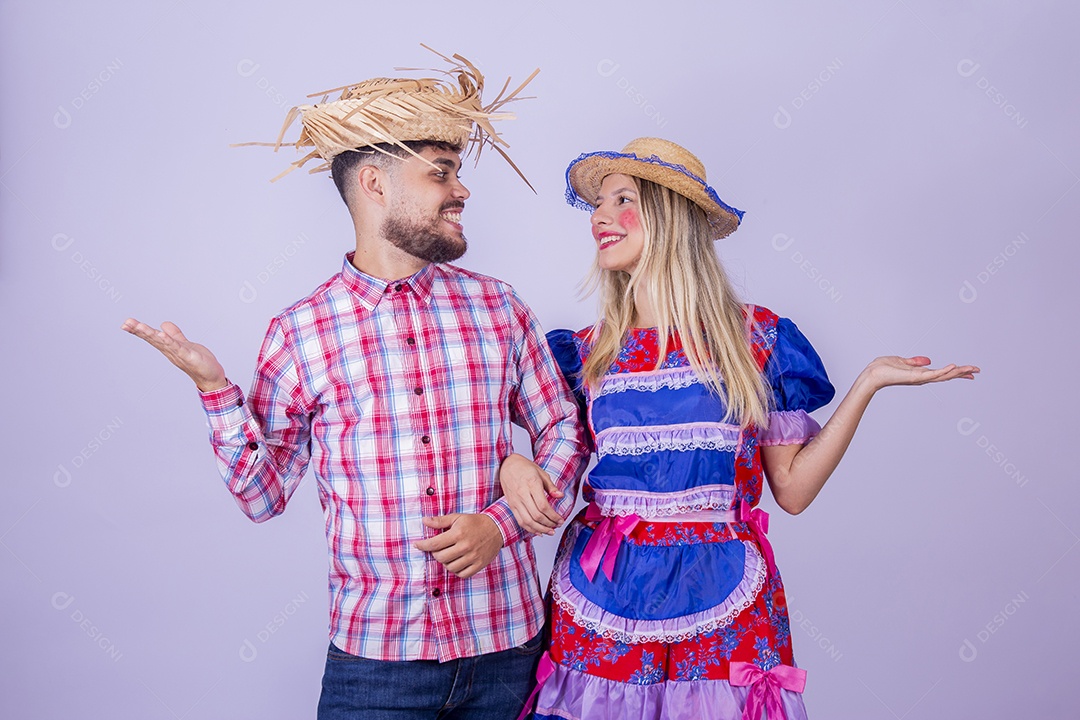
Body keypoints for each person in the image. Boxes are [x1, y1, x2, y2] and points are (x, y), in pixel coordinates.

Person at [121, 53, 589, 720]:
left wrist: (502, 522)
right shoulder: (301, 333)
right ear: (375, 182)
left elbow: (564, 429)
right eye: (441, 173)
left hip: (508, 655)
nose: (461, 190)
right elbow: (262, 495)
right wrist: (214, 387)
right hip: (376, 669)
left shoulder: (499, 309)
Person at [499, 137, 979, 720]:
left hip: (723, 590)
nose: (600, 216)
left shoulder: (756, 343)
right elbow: (528, 445)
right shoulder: (586, 354)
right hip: (603, 592)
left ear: (669, 218)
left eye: (621, 199)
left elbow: (794, 492)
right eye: (598, 204)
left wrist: (868, 383)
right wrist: (512, 462)